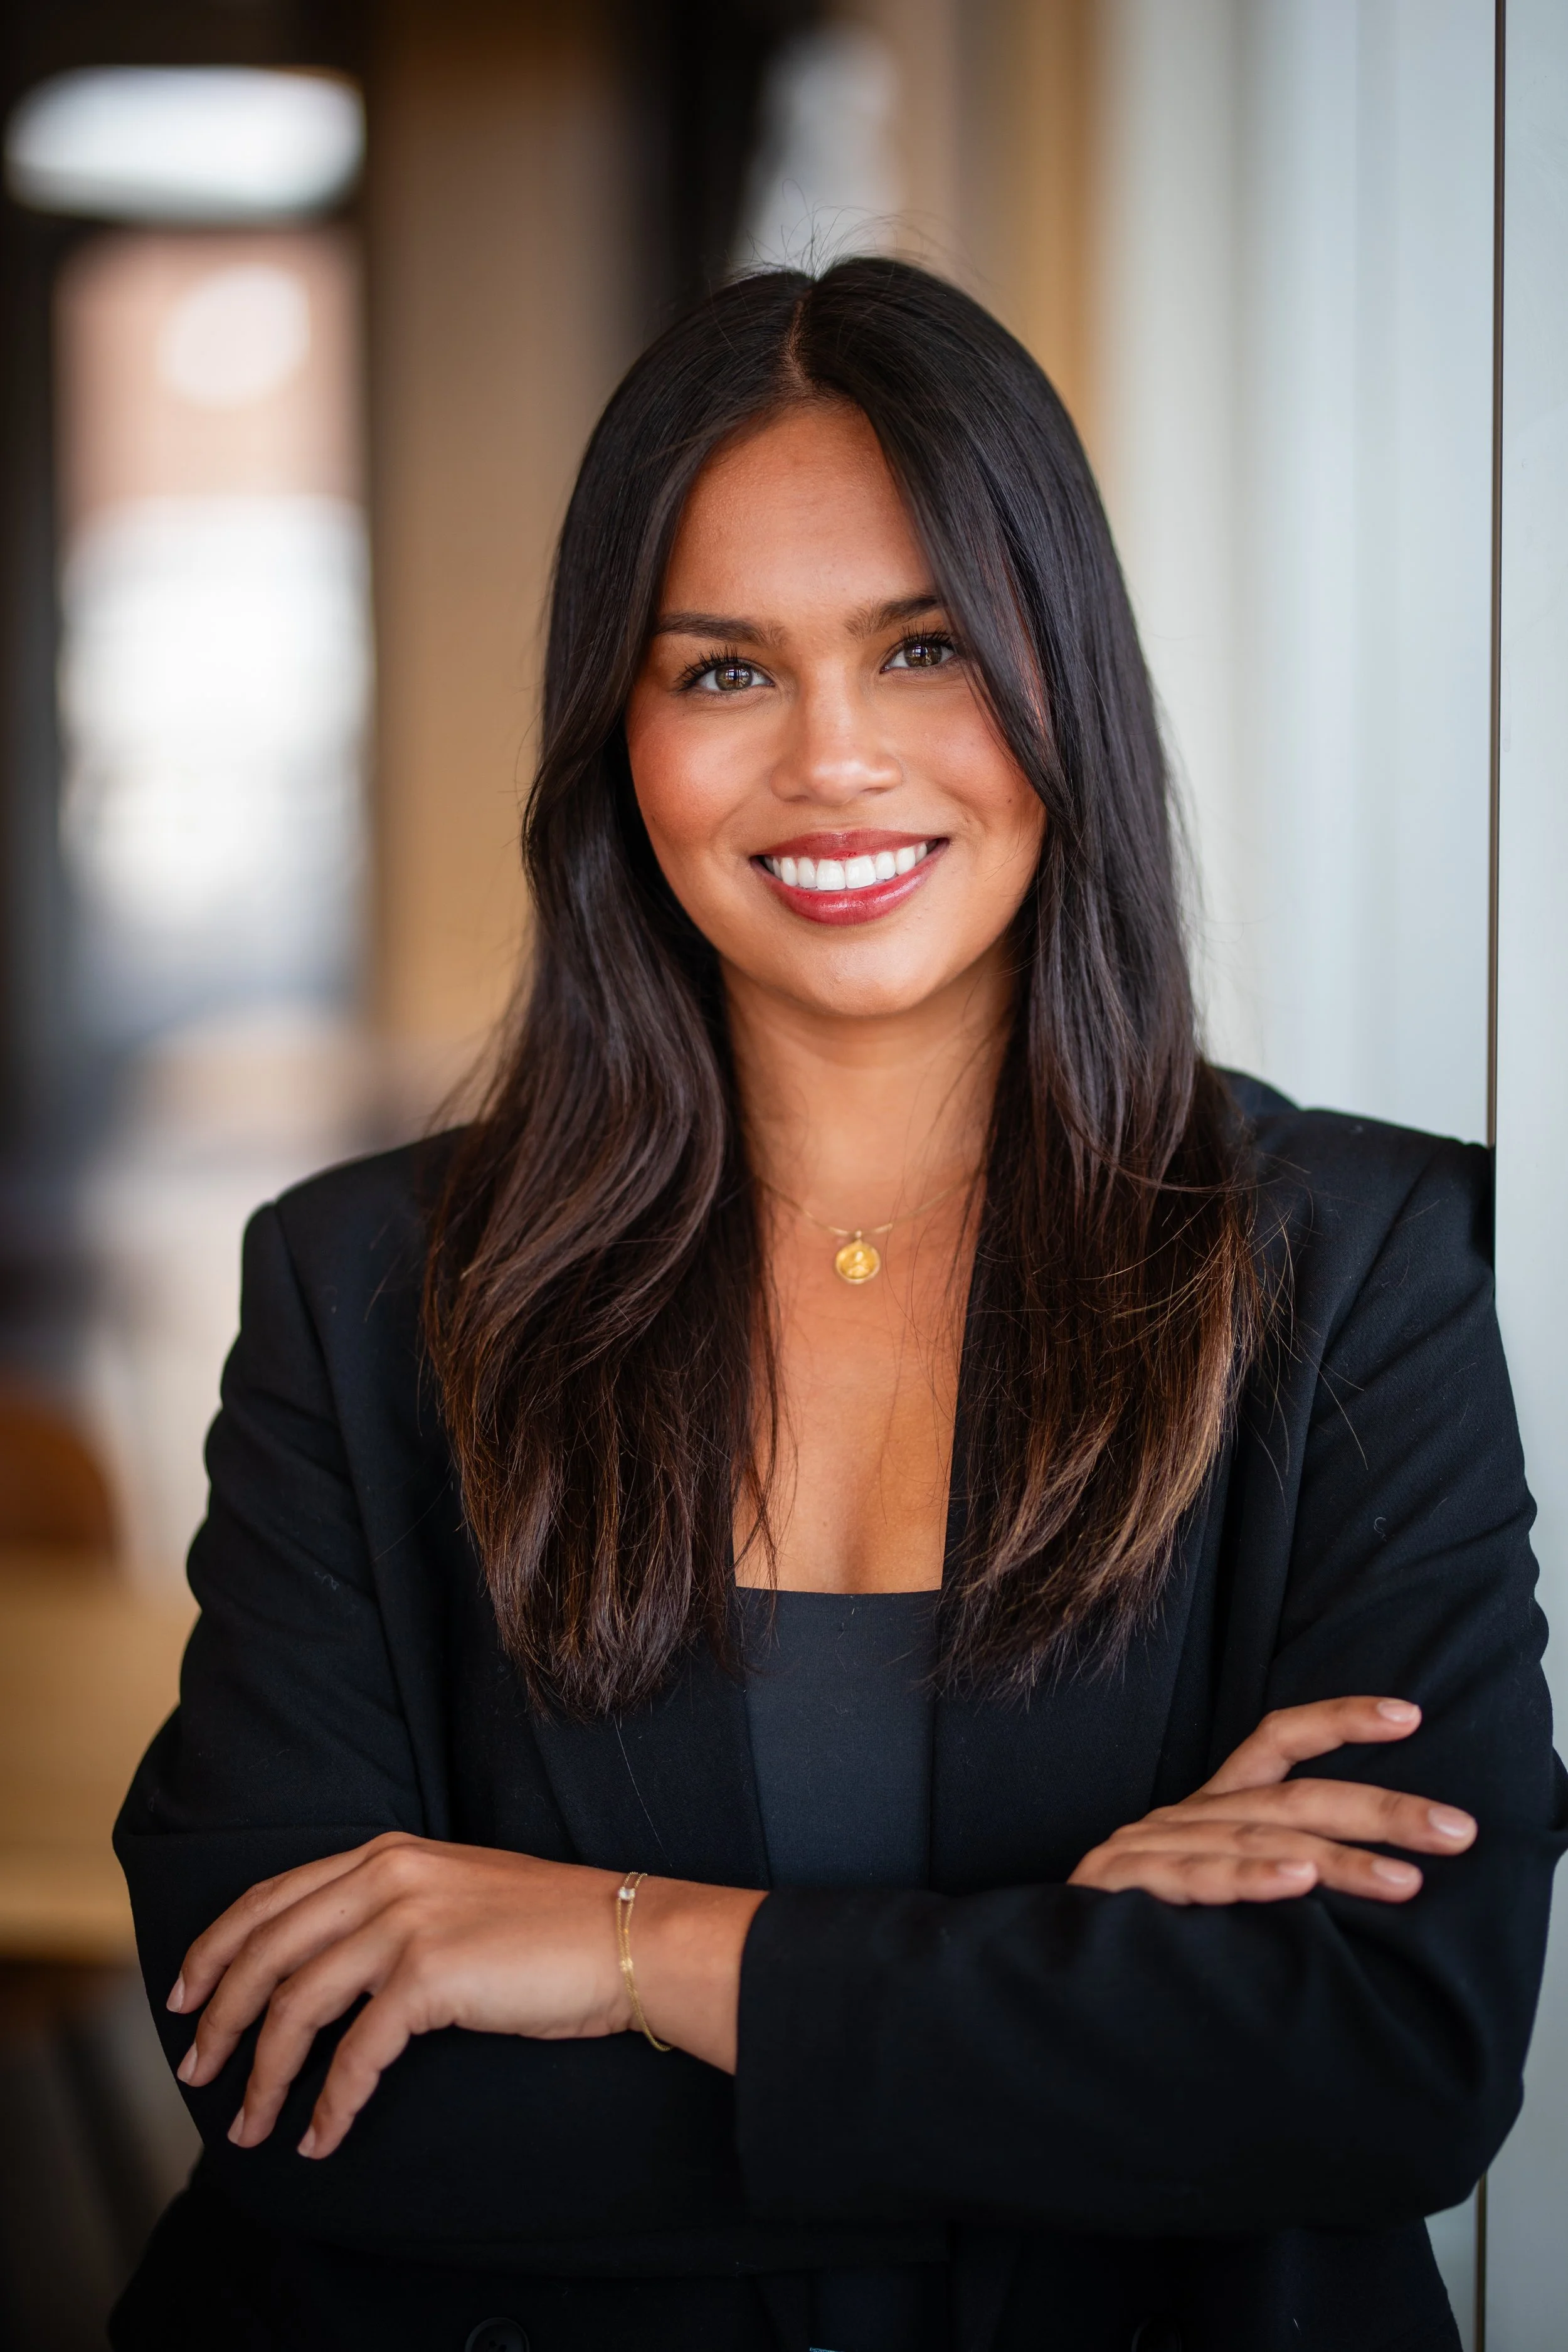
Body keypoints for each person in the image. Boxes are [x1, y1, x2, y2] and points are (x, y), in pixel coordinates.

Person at [111, 260, 1561, 2352]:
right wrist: (1059, 1988)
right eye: (722, 672)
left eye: (928, 646)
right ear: (616, 735)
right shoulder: (359, 1289)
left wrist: (622, 1947)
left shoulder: (1361, 1263)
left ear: (1068, 675)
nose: (835, 761)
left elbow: (1385, 2059)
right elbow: (303, 2087)